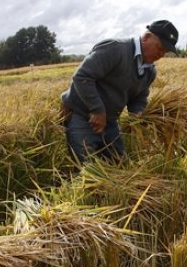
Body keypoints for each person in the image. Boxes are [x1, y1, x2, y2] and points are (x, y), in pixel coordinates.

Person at [60, 19, 179, 162]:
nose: (161, 54)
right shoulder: (115, 49)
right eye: (160, 48)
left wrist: (138, 113)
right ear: (146, 37)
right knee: (86, 170)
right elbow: (82, 77)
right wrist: (97, 110)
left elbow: (139, 97)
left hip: (109, 122)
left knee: (119, 164)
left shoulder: (150, 72)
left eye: (165, 52)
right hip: (81, 117)